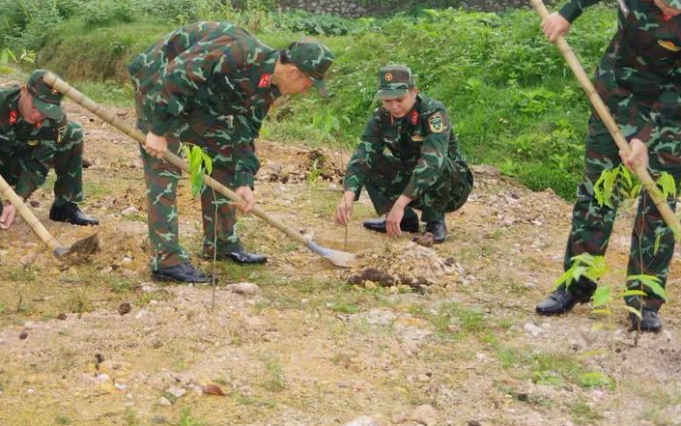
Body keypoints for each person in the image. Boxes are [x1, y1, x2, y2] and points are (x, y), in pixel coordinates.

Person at [535, 0, 681, 333]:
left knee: (658, 201)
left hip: (669, 109)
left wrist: (645, 135)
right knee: (597, 191)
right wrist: (568, 13)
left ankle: (644, 301)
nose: (675, 8)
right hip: (616, 94)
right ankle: (577, 284)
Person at [128, 21, 334, 283]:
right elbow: (177, 75)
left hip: (197, 100)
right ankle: (167, 261)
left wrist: (244, 181)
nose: (307, 90)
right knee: (164, 167)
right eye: (309, 83)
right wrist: (158, 130)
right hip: (159, 83)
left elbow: (245, 132)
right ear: (293, 72)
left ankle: (221, 243)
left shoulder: (269, 86)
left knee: (223, 154)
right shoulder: (239, 53)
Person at [0, 69, 98, 237]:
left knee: (73, 132)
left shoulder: (54, 120)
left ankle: (64, 206)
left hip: (19, 166)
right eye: (35, 106)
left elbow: (38, 164)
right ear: (23, 91)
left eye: (45, 111)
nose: (38, 115)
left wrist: (17, 201)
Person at [335, 64, 472, 243]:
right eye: (387, 101)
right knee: (371, 162)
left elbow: (433, 162)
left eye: (399, 99)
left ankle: (435, 221)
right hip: (411, 177)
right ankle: (404, 220)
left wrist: (400, 203)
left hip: (453, 186)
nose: (394, 106)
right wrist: (348, 195)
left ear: (414, 92)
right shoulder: (381, 117)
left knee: (437, 162)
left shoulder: (433, 113)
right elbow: (363, 154)